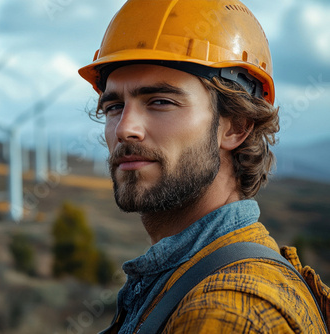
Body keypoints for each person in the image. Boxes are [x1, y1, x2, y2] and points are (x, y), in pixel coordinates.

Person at [78, 0, 330, 333]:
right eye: (114, 106)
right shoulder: (192, 278)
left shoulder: (227, 315)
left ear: (236, 126)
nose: (125, 128)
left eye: (160, 102)